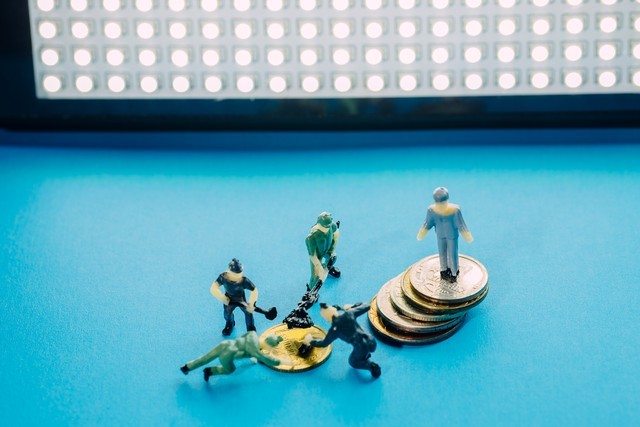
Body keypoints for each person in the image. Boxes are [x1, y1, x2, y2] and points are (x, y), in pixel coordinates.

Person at [303, 302, 381, 378]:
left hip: (360, 346)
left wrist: (310, 341)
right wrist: (352, 306)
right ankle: (365, 356)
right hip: (371, 340)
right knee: (362, 353)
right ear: (334, 310)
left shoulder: (335, 329)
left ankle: (371, 366)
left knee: (353, 362)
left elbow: (323, 343)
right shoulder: (349, 313)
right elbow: (367, 306)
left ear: (327, 319)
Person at [417, 187, 473, 282]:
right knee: (442, 252)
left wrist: (467, 235)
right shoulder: (431, 210)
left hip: (452, 236)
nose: (441, 205)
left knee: (452, 253)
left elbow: (461, 224)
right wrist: (421, 233)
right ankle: (443, 269)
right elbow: (427, 223)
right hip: (441, 235)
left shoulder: (455, 210)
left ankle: (454, 272)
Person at [180, 331, 283, 382]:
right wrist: (278, 362)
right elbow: (263, 357)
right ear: (269, 345)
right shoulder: (255, 349)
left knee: (206, 358)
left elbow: (243, 337)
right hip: (229, 353)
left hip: (226, 344)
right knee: (230, 369)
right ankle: (210, 371)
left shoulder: (253, 334)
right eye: (271, 347)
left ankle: (186, 367)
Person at [210, 258, 258, 336]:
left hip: (241, 298)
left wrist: (252, 303)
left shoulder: (243, 280)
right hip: (228, 299)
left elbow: (254, 290)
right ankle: (230, 323)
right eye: (235, 274)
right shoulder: (223, 277)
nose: (237, 276)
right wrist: (223, 298)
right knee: (227, 313)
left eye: (239, 274)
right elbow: (213, 288)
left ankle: (250, 327)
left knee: (248, 312)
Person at [305, 212, 340, 290]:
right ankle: (309, 290)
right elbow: (312, 255)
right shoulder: (312, 237)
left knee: (333, 258)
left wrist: (332, 247)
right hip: (317, 256)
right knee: (316, 275)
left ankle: (328, 267)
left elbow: (336, 232)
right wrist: (318, 266)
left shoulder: (331, 225)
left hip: (327, 250)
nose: (327, 229)